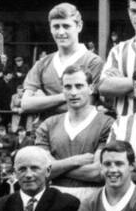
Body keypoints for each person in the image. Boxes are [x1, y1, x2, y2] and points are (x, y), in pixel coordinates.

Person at [33, 67, 114, 202]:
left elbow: (98, 172)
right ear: (62, 90)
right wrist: (75, 161)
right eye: (68, 87)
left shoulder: (107, 124)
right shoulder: (48, 125)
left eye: (79, 86)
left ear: (91, 88)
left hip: (93, 199)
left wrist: (56, 168)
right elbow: (40, 170)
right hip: (55, 199)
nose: (73, 92)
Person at [20, 3, 104, 125]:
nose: (60, 32)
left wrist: (42, 100)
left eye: (66, 26)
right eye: (56, 26)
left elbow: (84, 107)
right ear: (50, 28)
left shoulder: (93, 62)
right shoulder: (42, 63)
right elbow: (26, 104)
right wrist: (66, 96)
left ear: (79, 26)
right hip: (44, 135)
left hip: (80, 133)